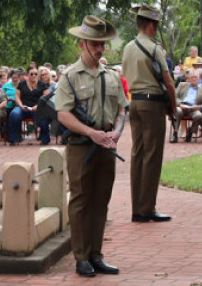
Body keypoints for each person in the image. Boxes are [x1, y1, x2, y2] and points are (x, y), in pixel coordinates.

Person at [55, 16, 127, 277]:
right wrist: (90, 133)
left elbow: (122, 109)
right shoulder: (70, 77)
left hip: (107, 147)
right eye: (95, 44)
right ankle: (81, 257)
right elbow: (63, 113)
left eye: (103, 45)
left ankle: (97, 255)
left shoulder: (111, 76)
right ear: (82, 43)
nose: (100, 49)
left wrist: (117, 131)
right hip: (81, 148)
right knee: (81, 200)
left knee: (101, 201)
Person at [122, 3, 176, 223]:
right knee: (152, 156)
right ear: (152, 25)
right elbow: (169, 82)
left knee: (138, 154)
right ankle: (147, 208)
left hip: (134, 103)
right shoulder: (154, 49)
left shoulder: (127, 47)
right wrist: (174, 107)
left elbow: (125, 75)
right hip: (152, 104)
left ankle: (137, 208)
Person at [7, 67, 50, 145]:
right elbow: (16, 97)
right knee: (14, 114)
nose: (34, 75)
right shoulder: (22, 84)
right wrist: (21, 105)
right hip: (23, 107)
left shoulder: (42, 84)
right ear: (28, 75)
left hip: (37, 107)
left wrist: (38, 106)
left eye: (36, 74)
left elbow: (47, 98)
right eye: (31, 74)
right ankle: (14, 138)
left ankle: (45, 138)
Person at [174, 70, 202, 142]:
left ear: (199, 78)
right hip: (182, 106)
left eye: (195, 77)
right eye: (192, 77)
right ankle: (175, 133)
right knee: (177, 110)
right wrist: (180, 104)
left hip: (194, 109)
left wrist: (198, 107)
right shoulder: (182, 85)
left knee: (199, 116)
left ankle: (190, 132)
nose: (193, 79)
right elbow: (175, 97)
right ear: (189, 78)